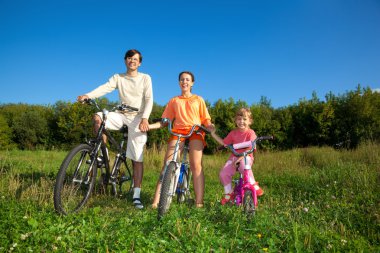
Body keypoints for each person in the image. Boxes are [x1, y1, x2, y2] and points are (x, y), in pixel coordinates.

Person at [77, 49, 153, 209]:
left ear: (139, 63)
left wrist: (145, 117)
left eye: (135, 59)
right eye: (129, 58)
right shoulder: (118, 77)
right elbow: (105, 87)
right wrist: (88, 95)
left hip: (137, 117)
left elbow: (148, 99)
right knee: (98, 117)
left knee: (137, 157)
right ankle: (101, 155)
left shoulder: (145, 78)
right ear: (125, 61)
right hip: (120, 114)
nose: (132, 61)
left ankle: (137, 196)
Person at [148, 71, 214, 208]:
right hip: (178, 131)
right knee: (168, 163)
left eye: (187, 80)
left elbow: (206, 119)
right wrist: (149, 126)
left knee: (196, 165)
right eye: (182, 80)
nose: (185, 82)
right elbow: (165, 121)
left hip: (195, 131)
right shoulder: (174, 101)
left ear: (192, 83)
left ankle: (199, 202)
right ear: (179, 83)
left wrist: (210, 126)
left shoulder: (198, 99)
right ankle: (156, 201)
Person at [210, 108, 263, 205]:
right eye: (239, 119)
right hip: (234, 157)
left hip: (246, 156)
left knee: (244, 165)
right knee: (223, 174)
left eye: (244, 119)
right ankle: (229, 194)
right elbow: (224, 143)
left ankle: (253, 184)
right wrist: (213, 134)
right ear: (235, 120)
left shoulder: (250, 133)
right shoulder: (233, 133)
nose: (241, 121)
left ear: (250, 121)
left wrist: (241, 157)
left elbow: (251, 146)